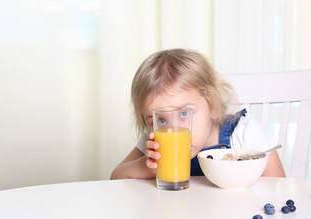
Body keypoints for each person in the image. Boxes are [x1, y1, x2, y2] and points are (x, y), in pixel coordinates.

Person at [110, 49, 286, 180]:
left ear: (212, 105)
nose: (173, 128)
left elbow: (279, 188)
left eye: (184, 114)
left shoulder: (245, 135)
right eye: (161, 119)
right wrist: (146, 167)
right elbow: (116, 177)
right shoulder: (156, 143)